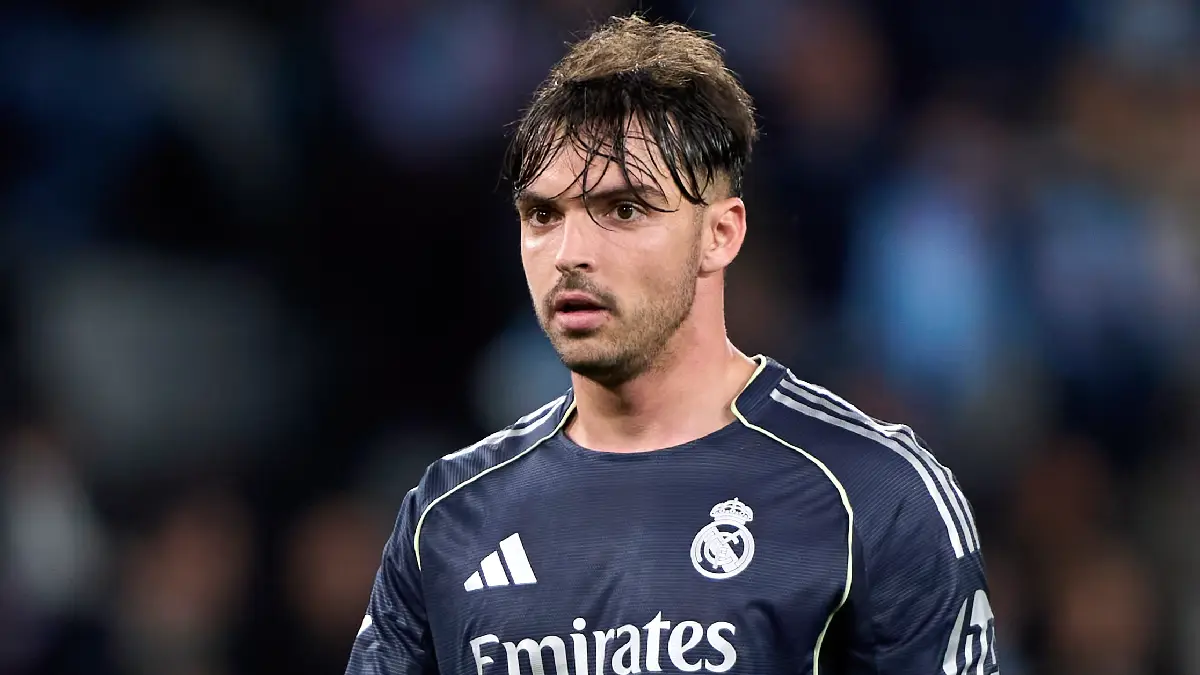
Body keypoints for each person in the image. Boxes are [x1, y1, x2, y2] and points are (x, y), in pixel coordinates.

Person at [345, 15, 998, 675]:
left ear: (720, 234)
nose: (570, 253)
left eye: (623, 210)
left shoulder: (872, 493)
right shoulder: (448, 515)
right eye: (543, 215)